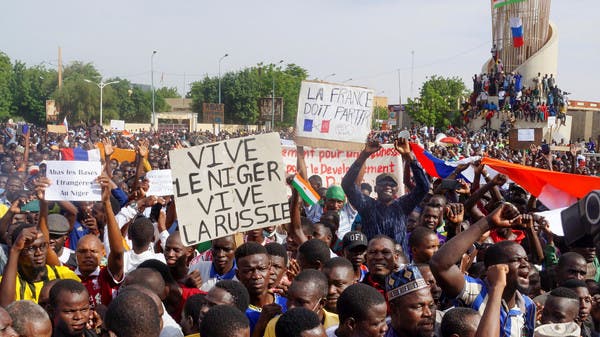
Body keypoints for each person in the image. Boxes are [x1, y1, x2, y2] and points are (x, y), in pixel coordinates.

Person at [430, 204, 536, 337]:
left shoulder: (528, 306)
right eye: (516, 260)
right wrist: (488, 222)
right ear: (492, 268)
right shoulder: (475, 291)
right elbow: (440, 265)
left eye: (526, 259)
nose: (525, 264)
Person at [341, 138, 429, 254]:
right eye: (383, 183)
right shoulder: (366, 205)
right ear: (376, 188)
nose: (387, 186)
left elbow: (424, 187)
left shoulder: (403, 206)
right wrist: (364, 155)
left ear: (396, 189)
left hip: (398, 264)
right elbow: (347, 184)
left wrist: (409, 156)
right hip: (373, 262)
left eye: (392, 184)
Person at [0, 223, 79, 305]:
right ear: (19, 251)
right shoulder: (9, 282)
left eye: (43, 246)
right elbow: (6, 306)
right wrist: (15, 249)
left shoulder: (64, 275)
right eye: (31, 248)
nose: (38, 253)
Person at [264, 269, 338, 337]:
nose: (291, 307)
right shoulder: (275, 325)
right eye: (289, 299)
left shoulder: (337, 324)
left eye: (300, 302)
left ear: (321, 303)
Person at [234, 242, 286, 336]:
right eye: (248, 271)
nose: (257, 276)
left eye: (262, 269)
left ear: (269, 269)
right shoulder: (236, 313)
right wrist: (260, 326)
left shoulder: (287, 303)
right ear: (238, 274)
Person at [384, 264, 436, 337]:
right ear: (394, 310)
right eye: (418, 306)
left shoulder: (441, 331)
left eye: (431, 305)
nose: (428, 313)